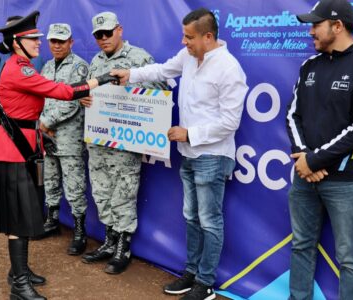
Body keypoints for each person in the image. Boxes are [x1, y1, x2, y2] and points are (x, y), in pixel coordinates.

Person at [111, 8, 248, 299]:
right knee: (191, 216)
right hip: (189, 154)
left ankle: (206, 282)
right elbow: (161, 70)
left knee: (209, 220)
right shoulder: (188, 56)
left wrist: (189, 133)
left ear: (208, 36)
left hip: (213, 155)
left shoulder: (229, 68)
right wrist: (131, 74)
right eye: (184, 36)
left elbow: (229, 122)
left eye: (189, 37)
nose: (184, 42)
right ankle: (191, 272)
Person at [0, 11, 118, 300]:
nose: (39, 43)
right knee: (18, 217)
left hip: (21, 143)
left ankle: (18, 271)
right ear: (17, 43)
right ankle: (19, 284)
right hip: (12, 149)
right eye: (32, 39)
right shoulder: (21, 69)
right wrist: (102, 80)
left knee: (23, 211)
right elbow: (61, 91)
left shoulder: (22, 66)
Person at [285, 1, 353, 299]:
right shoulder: (309, 66)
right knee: (301, 245)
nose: (311, 31)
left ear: (337, 26)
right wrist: (304, 157)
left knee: (349, 259)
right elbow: (292, 115)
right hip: (305, 177)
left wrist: (313, 160)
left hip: (347, 183)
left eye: (316, 25)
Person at [80, 11, 166, 275]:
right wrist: (83, 98)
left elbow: (162, 90)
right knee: (102, 192)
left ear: (119, 29)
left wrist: (134, 86)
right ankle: (109, 241)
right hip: (98, 140)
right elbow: (87, 92)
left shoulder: (138, 58)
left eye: (107, 33)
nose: (103, 39)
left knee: (124, 193)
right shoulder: (94, 61)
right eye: (98, 35)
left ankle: (123, 247)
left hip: (125, 142)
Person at [34, 23, 90, 257]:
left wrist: (47, 122)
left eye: (61, 41)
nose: (56, 45)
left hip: (69, 137)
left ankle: (79, 232)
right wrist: (42, 124)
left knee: (74, 184)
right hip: (47, 135)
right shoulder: (47, 66)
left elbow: (73, 101)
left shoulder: (79, 67)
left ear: (71, 42)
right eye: (53, 41)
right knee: (50, 179)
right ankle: (53, 220)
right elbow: (40, 96)